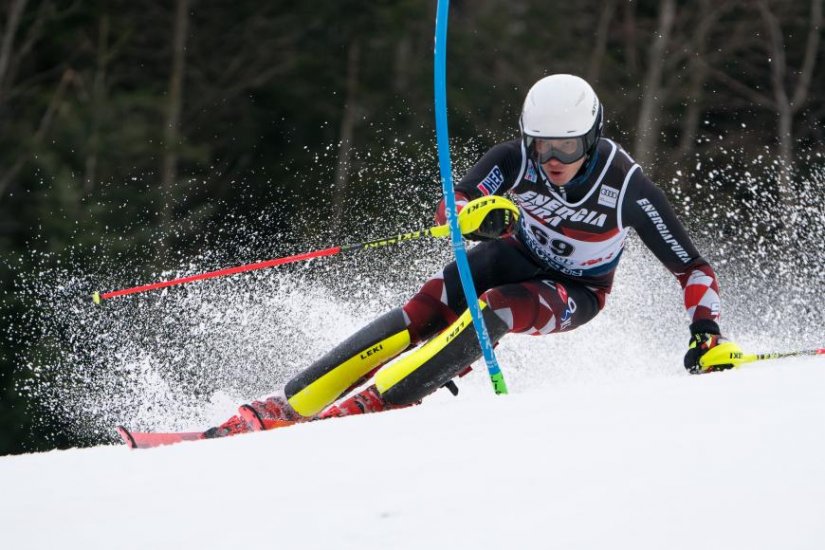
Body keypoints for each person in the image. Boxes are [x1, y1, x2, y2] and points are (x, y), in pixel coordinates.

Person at [204, 73, 738, 438]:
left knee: (497, 309)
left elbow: (693, 269)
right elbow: (450, 206)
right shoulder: (514, 159)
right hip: (514, 254)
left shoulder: (627, 188)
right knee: (426, 307)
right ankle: (287, 405)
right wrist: (472, 215)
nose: (551, 160)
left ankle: (373, 407)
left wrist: (706, 333)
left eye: (566, 148)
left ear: (591, 140)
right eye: (541, 145)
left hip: (576, 291)